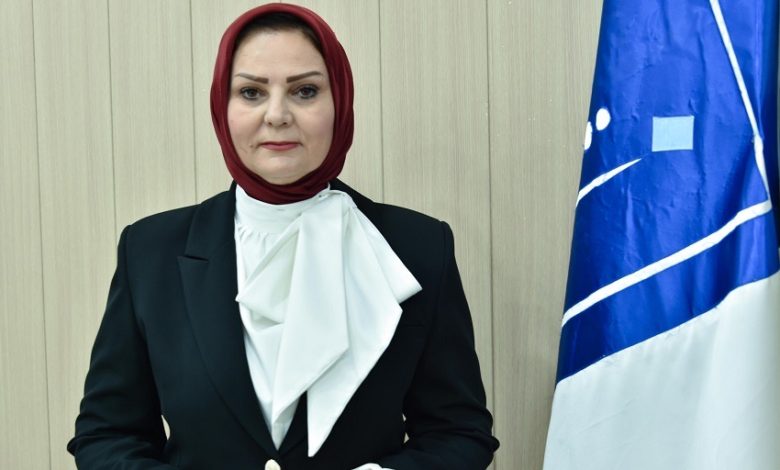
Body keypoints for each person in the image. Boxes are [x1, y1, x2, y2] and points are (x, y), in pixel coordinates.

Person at [67, 4, 499, 469]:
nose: (276, 115)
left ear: (340, 103)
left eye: (305, 91)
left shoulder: (418, 248)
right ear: (222, 107)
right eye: (251, 92)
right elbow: (107, 435)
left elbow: (459, 434)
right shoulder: (150, 250)